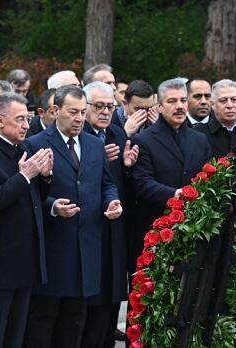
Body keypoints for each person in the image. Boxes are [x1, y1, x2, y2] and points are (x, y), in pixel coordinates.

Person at [23, 85, 122, 347]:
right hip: (53, 247)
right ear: (56, 111)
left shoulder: (92, 144)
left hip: (87, 247)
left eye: (82, 112)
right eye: (72, 112)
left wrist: (112, 202)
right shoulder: (35, 143)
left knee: (75, 322)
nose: (79, 118)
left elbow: (106, 183)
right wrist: (53, 206)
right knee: (44, 320)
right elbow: (27, 195)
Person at [0, 92, 52, 347]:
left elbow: (32, 198)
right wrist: (25, 176)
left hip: (26, 257)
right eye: (20, 120)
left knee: (16, 334)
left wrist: (46, 177)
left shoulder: (24, 148)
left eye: (27, 119)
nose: (26, 125)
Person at [131, 77, 210, 290]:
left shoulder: (199, 139)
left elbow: (208, 179)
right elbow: (143, 184)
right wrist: (177, 194)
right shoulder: (144, 140)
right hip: (156, 228)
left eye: (183, 100)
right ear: (159, 106)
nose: (179, 106)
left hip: (192, 229)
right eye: (172, 101)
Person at [80, 82, 138, 347]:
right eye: (98, 106)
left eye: (110, 107)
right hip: (86, 227)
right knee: (86, 309)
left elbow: (118, 183)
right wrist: (92, 159)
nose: (105, 112)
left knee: (110, 302)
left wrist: (126, 168)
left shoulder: (116, 133)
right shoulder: (78, 135)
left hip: (114, 226)